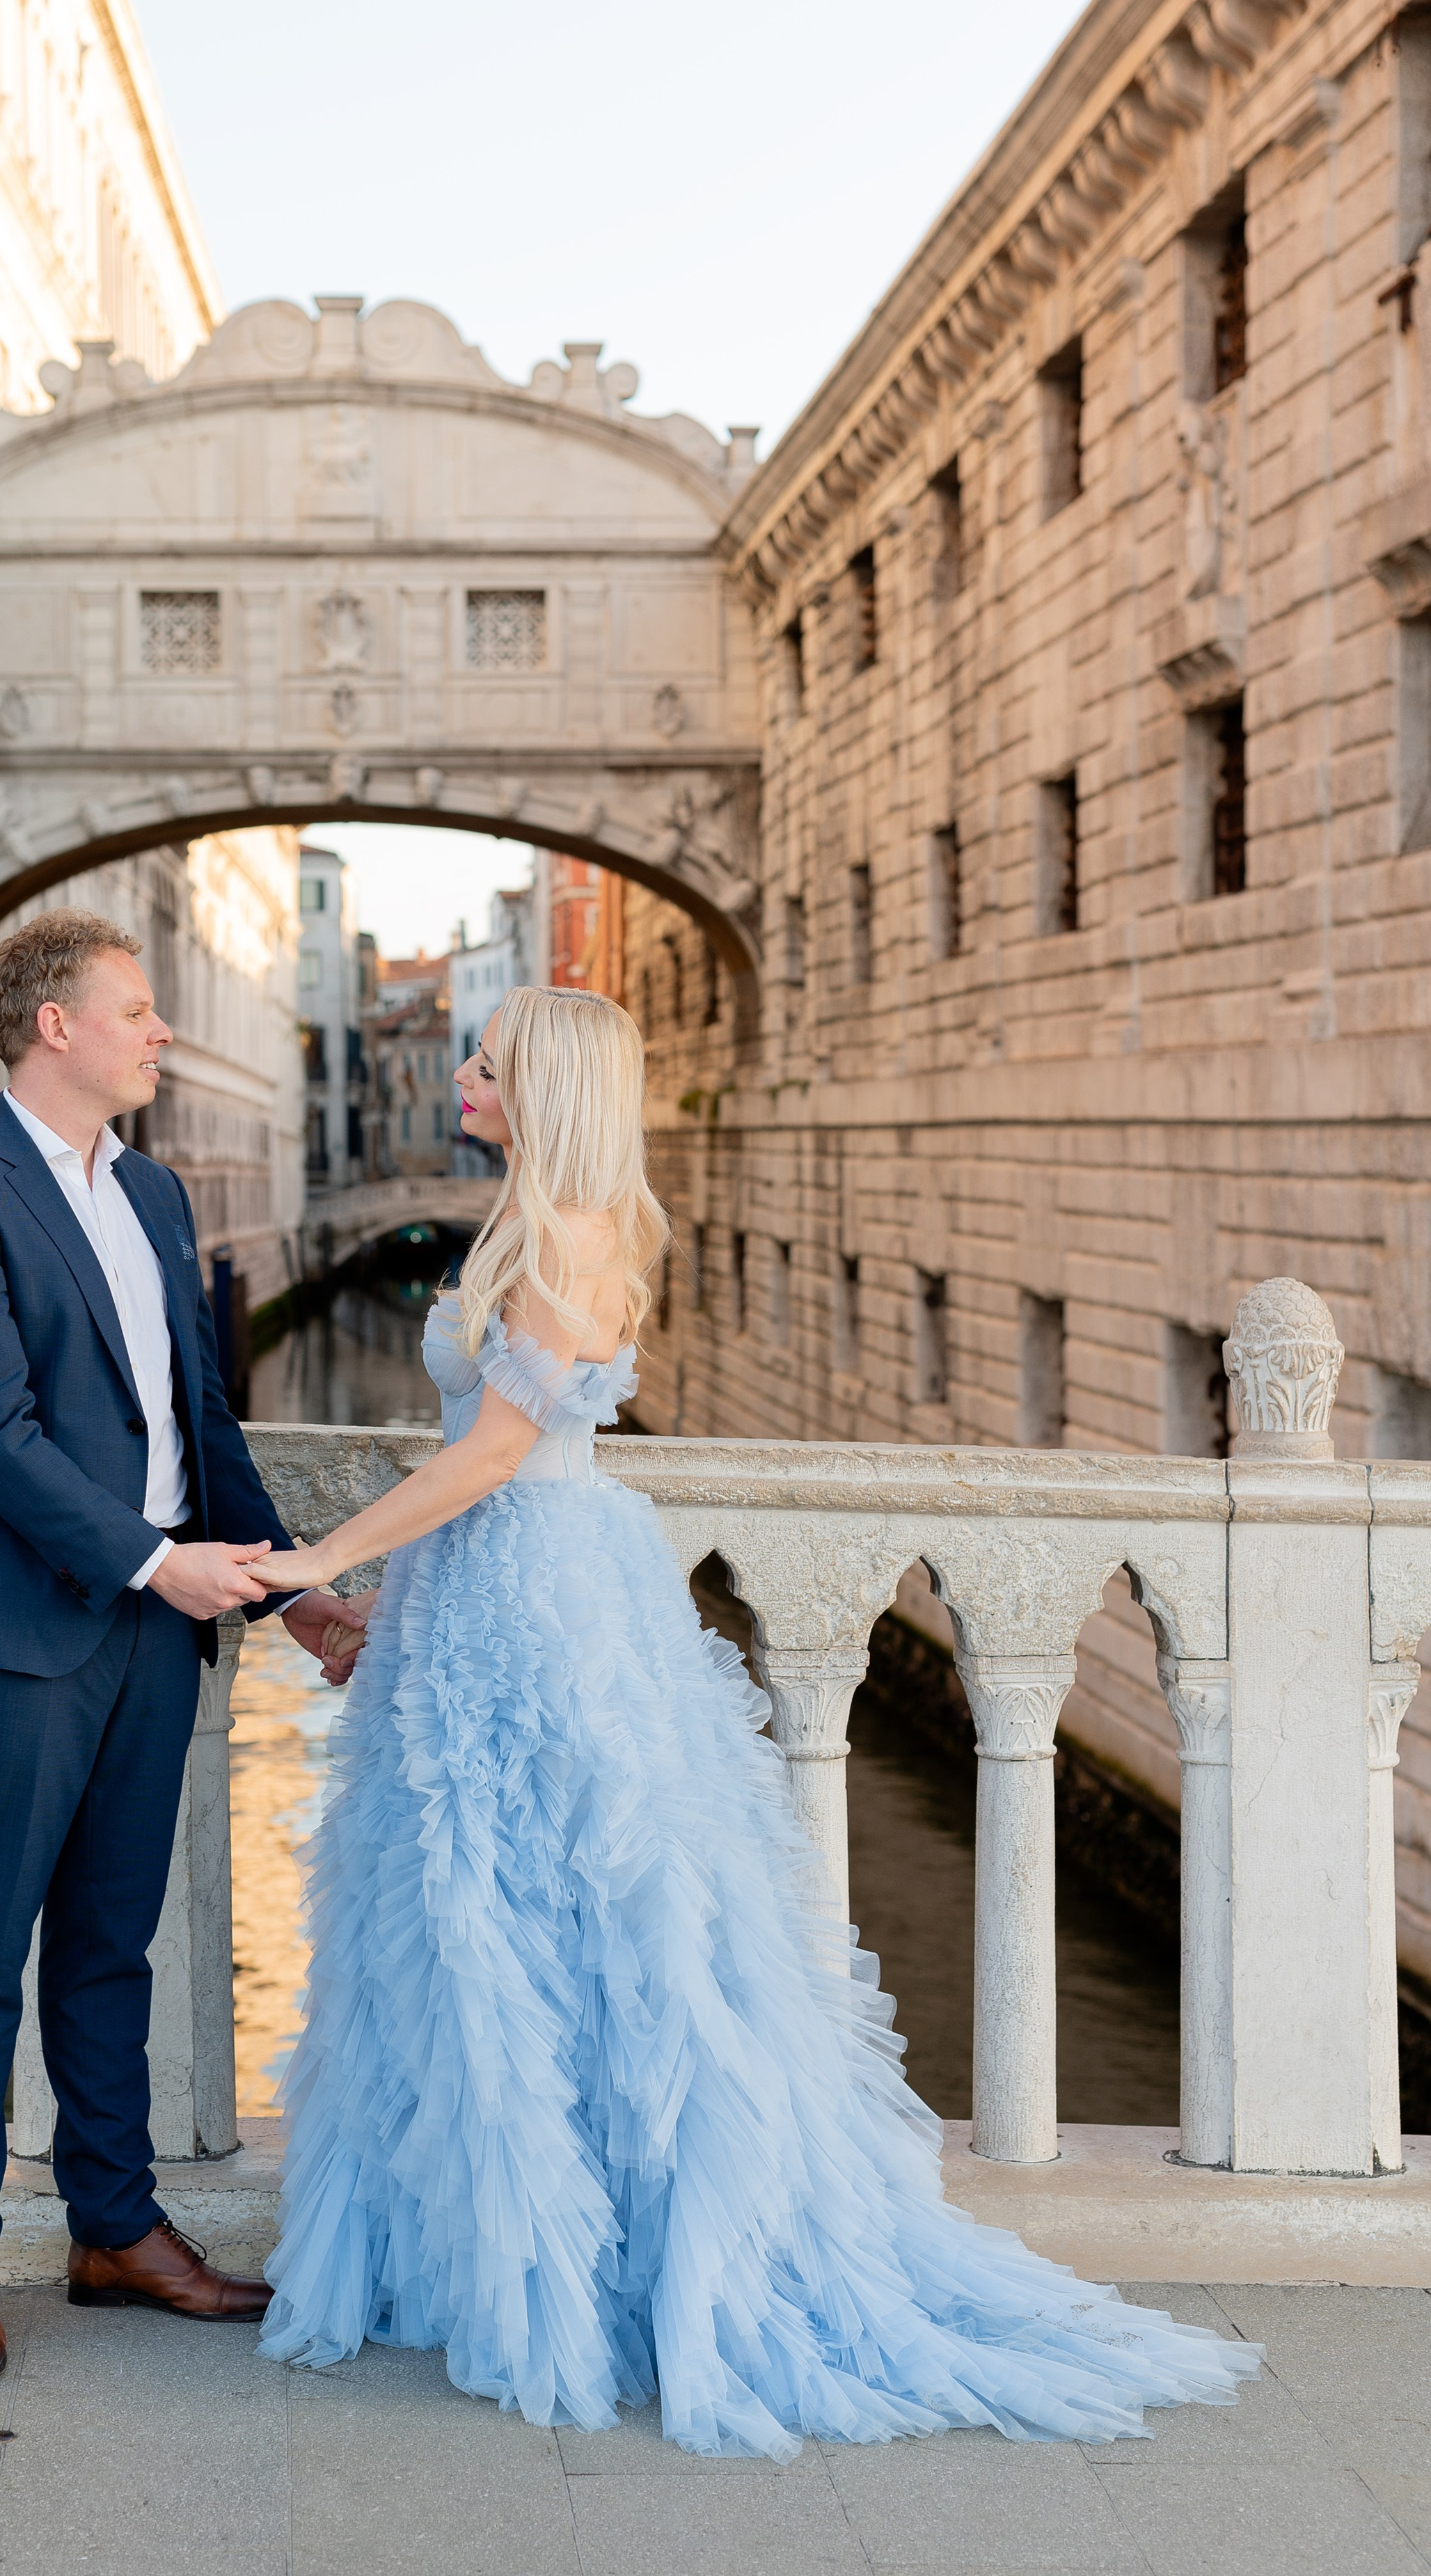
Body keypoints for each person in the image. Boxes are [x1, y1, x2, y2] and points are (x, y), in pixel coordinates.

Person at [244, 985, 1262, 2458]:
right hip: (495, 1594)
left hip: (537, 1594)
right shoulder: (531, 1221)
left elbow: (490, 1457)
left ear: (546, 1083)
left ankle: (593, 2277)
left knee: (591, 1919)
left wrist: (324, 1559)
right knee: (483, 1917)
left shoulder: (565, 1235)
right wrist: (387, 1605)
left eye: (487, 1057)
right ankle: (502, 2251)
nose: (463, 1073)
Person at [0, 908, 363, 2384]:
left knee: (109, 1949)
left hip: (157, 1643)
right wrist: (160, 1564)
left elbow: (197, 1422)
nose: (160, 1030)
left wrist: (287, 1589)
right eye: (137, 1008)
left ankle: (113, 2228)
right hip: (23, 1631)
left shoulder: (151, 1192)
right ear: (53, 1027)